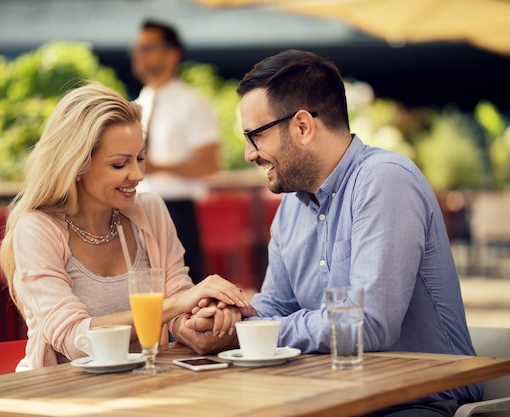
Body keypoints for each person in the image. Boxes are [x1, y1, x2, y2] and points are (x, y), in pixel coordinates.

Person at [194, 49, 482, 416]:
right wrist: (225, 318)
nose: (250, 154)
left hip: (421, 400)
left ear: (302, 126)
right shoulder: (290, 209)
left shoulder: (384, 180)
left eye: (255, 136)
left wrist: (253, 330)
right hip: (332, 396)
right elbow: (276, 306)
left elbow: (368, 324)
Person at [0, 82, 248, 371]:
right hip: (62, 395)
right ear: (76, 164)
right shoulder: (38, 228)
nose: (138, 174)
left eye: (140, 158)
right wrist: (176, 306)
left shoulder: (150, 211)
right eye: (120, 164)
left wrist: (202, 319)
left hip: (144, 383)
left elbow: (179, 301)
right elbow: (74, 339)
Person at [131, 19, 220, 284]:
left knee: (184, 291)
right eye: (138, 48)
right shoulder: (138, 103)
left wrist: (158, 167)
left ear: (172, 54)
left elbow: (209, 163)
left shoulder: (192, 103)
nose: (139, 55)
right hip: (135, 208)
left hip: (177, 210)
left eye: (148, 47)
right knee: (144, 289)